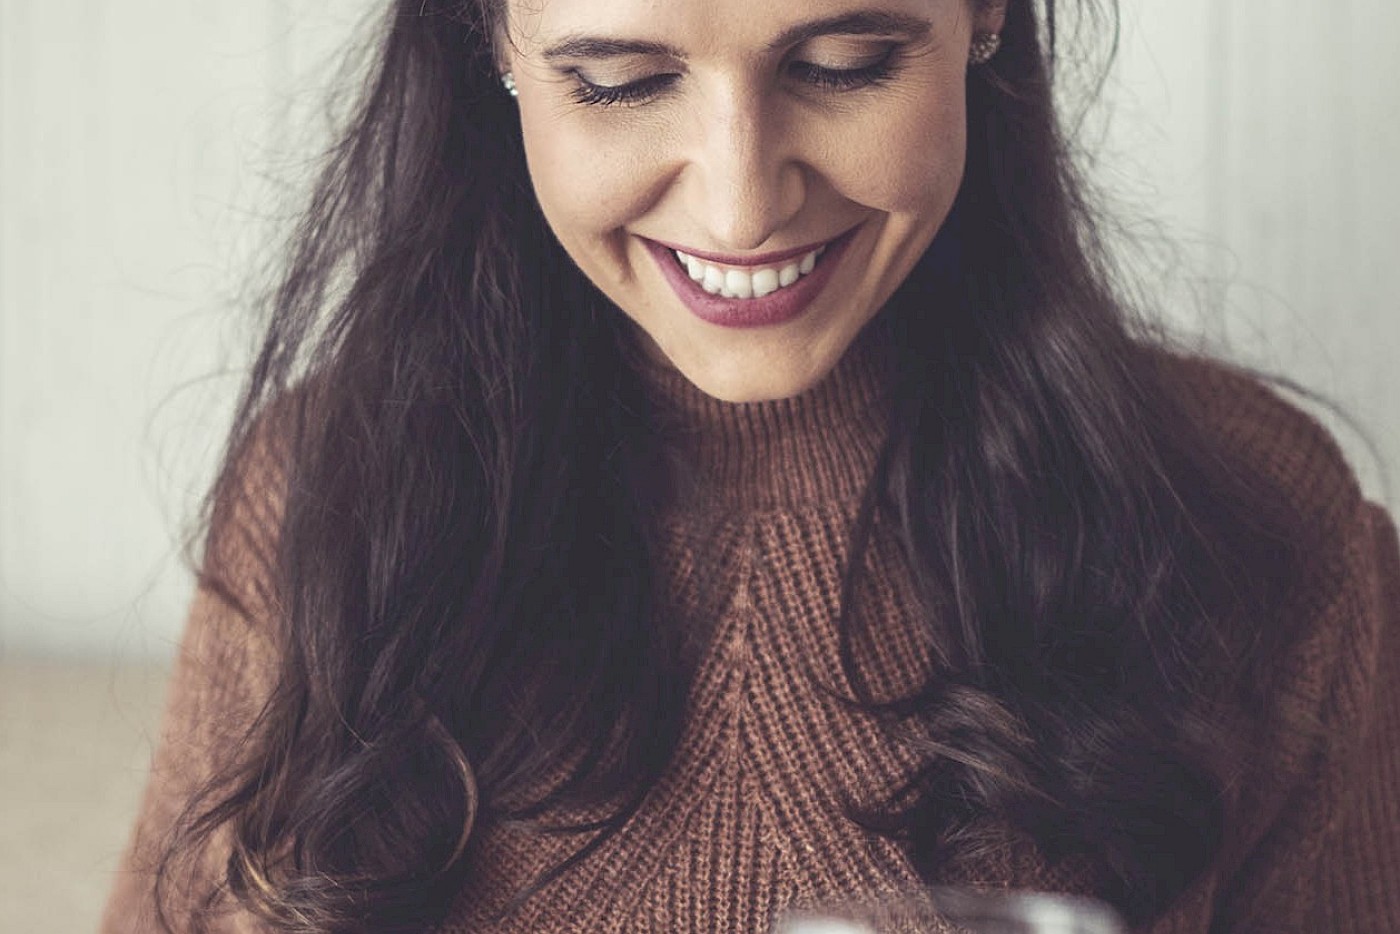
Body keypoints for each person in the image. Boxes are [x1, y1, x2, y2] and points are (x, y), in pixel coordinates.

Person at [103, 0, 1400, 931]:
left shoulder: (1266, 529)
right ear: (488, 43)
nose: (739, 205)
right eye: (617, 80)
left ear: (986, 17)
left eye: (845, 62)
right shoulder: (323, 498)